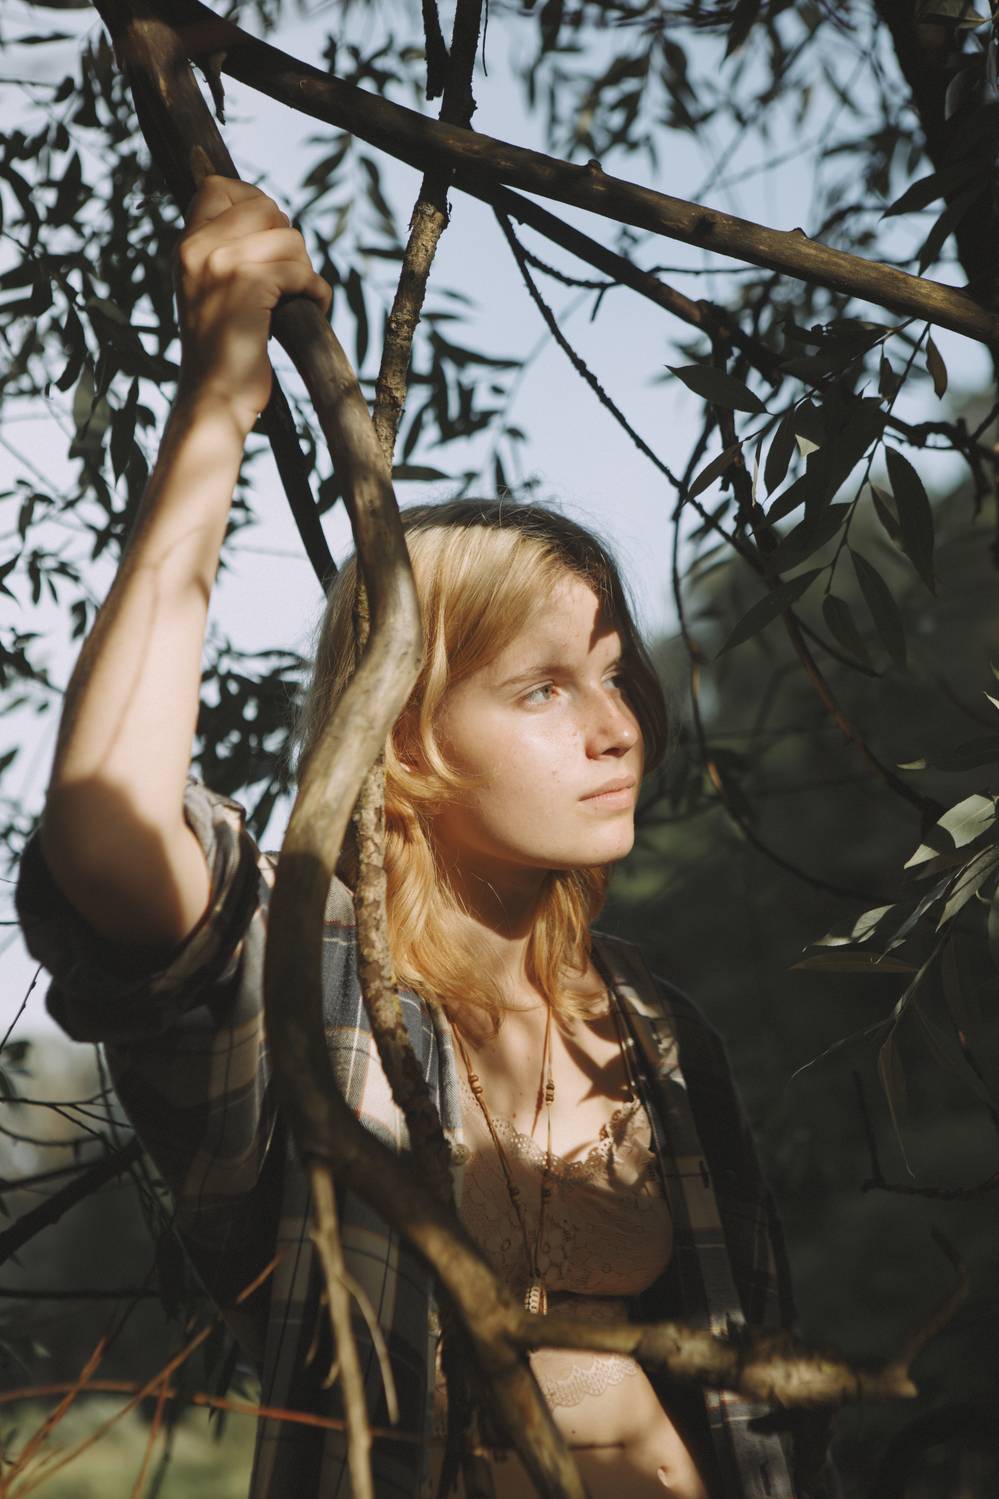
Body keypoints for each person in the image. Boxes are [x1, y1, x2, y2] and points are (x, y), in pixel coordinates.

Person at [16, 176, 834, 1499]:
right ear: (398, 738)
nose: (618, 728)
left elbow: (765, 1406)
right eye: (542, 690)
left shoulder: (661, 1037)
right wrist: (218, 398)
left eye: (614, 677)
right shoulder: (305, 987)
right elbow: (109, 831)